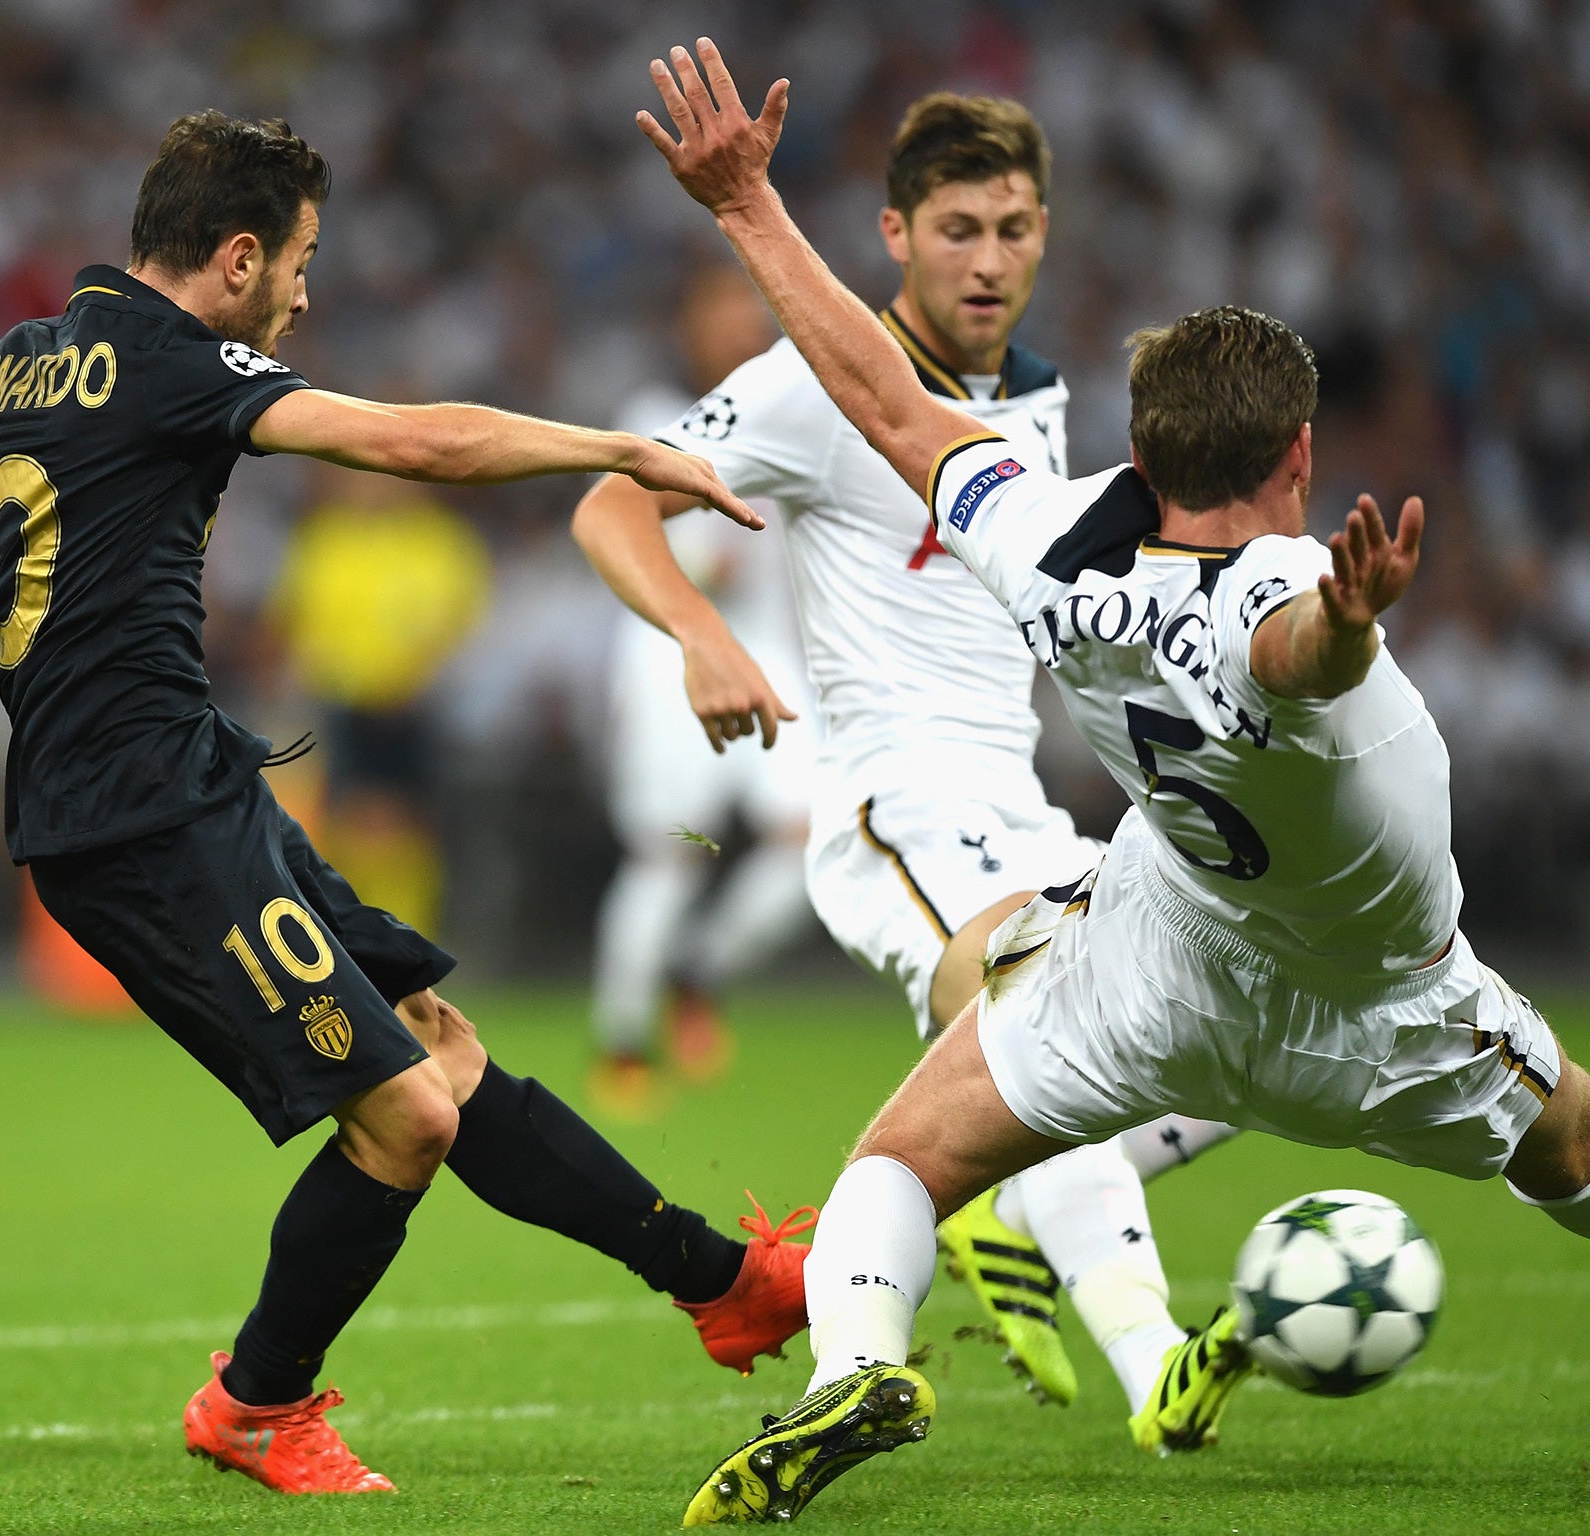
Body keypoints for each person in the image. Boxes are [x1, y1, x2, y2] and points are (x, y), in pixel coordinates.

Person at [0, 111, 817, 1500]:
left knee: (436, 1051)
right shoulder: (176, 366)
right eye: (299, 264)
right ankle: (257, 1405)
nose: (304, 295)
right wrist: (617, 449)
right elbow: (418, 447)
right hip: (137, 824)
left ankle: (724, 1284)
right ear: (233, 258)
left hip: (178, 785)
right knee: (407, 1117)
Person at [637, 43, 1590, 1526]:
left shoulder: (1046, 536)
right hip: (1381, 1006)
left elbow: (893, 412)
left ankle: (856, 1370)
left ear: (1137, 449)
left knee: (899, 1159)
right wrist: (1347, 621)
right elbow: (1287, 657)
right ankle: (1122, 1333)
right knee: (1572, 1145)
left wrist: (748, 208)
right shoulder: (1282, 580)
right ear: (1301, 451)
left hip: (1157, 964)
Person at [576, 90, 1238, 1421]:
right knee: (1066, 1014)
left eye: (1010, 228)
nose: (986, 259)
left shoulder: (1047, 401)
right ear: (894, 234)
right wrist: (701, 633)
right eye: (955, 229)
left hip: (1024, 807)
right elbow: (610, 504)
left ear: (1044, 232)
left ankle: (991, 1193)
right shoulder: (816, 382)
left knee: (1243, 1009)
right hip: (902, 813)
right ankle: (1152, 1363)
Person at [589, 263, 816, 1114]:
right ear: (686, 323)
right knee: (668, 855)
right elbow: (638, 539)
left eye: (747, 313)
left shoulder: (785, 414)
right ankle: (621, 1040)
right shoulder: (648, 417)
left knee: (813, 840)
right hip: (667, 654)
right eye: (718, 311)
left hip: (765, 653)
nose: (737, 328)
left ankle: (698, 969)